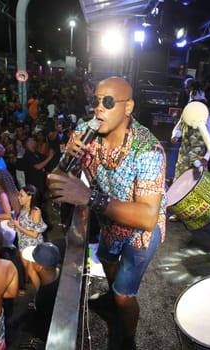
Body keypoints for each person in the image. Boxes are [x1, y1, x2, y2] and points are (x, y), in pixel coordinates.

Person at [47, 76, 166, 350]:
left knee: (125, 295)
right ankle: (111, 300)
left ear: (128, 107)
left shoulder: (147, 149)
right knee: (107, 260)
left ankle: (127, 339)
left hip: (140, 232)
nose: (98, 109)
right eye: (96, 101)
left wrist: (88, 196)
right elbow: (54, 183)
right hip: (109, 220)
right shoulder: (85, 133)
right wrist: (65, 160)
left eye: (108, 102)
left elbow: (147, 217)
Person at [168, 84, 210, 221]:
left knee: (194, 185)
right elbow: (178, 127)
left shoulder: (209, 117)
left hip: (198, 158)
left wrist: (206, 158)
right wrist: (175, 135)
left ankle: (195, 214)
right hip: (183, 156)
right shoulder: (186, 114)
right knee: (178, 183)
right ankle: (179, 212)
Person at [21, 242, 61, 342]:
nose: (30, 263)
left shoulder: (44, 298)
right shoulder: (59, 268)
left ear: (39, 267)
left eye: (33, 261)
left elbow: (44, 323)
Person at [10, 184, 47, 294]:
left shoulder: (35, 212)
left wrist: (18, 226)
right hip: (23, 243)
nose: (18, 197)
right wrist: (14, 225)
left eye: (21, 195)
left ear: (30, 197)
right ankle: (30, 288)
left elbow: (35, 234)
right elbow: (23, 226)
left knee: (32, 271)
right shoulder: (24, 208)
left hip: (32, 245)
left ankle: (41, 296)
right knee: (27, 268)